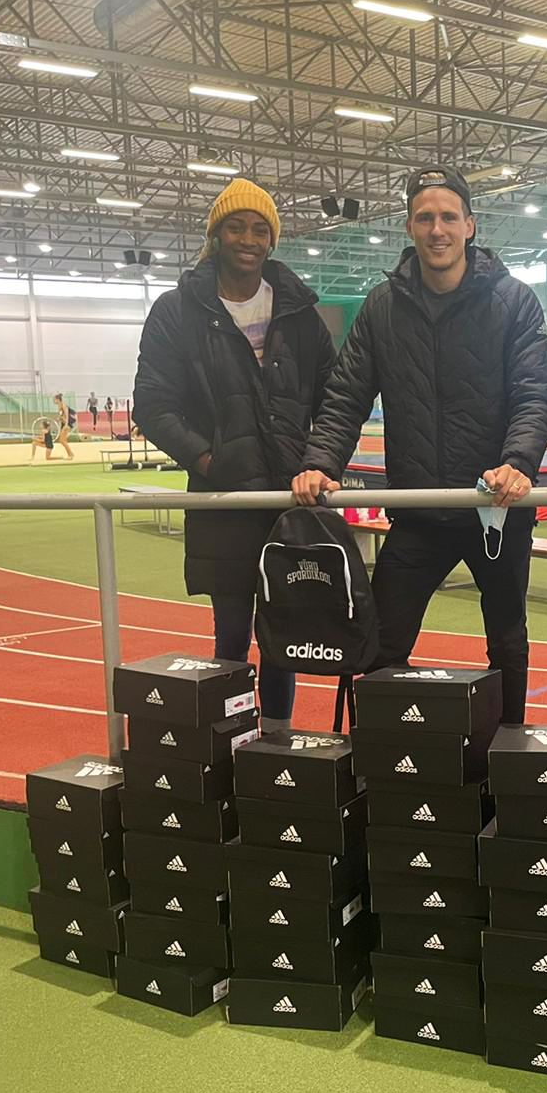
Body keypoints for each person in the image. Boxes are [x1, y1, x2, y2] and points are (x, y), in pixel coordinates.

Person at [292, 166, 547, 724]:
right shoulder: (382, 307)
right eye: (425, 218)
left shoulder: (514, 303)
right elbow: (345, 397)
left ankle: (507, 753)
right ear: (410, 228)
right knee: (382, 643)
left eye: (448, 217)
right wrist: (320, 463)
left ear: (470, 226)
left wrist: (517, 463)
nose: (437, 229)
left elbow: (534, 396)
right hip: (416, 516)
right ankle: (382, 762)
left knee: (507, 644)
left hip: (495, 513)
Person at [135, 178, 336, 728]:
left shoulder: (298, 312)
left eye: (260, 229)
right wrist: (208, 462)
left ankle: (276, 743)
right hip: (222, 502)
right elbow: (152, 405)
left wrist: (316, 462)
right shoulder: (178, 312)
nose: (248, 238)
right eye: (236, 226)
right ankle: (231, 741)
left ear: (271, 240)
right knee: (230, 637)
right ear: (216, 234)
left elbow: (336, 398)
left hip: (288, 504)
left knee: (283, 635)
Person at [53, 393, 76, 459]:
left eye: (54, 399)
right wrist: (59, 419)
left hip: (67, 424)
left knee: (62, 440)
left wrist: (66, 424)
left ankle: (71, 454)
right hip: (63, 424)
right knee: (63, 440)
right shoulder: (59, 406)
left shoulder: (63, 405)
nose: (54, 401)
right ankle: (70, 454)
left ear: (58, 399)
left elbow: (67, 415)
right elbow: (62, 416)